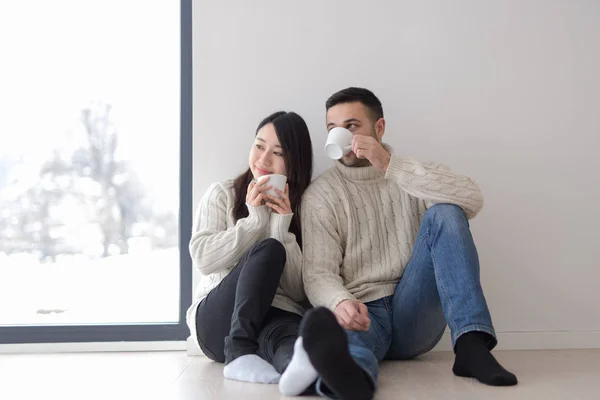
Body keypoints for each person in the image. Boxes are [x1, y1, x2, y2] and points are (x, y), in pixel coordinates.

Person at [283, 87, 517, 399]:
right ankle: (353, 379)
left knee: (446, 212)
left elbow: (472, 198)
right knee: (348, 344)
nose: (342, 135)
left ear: (378, 128)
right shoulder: (321, 195)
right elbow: (317, 273)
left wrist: (390, 165)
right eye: (333, 129)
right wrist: (340, 303)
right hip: (364, 310)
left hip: (414, 308)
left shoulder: (411, 174)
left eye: (351, 126)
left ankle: (472, 345)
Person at [185, 111, 313, 384]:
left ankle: (301, 375)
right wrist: (254, 222)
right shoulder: (223, 194)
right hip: (216, 322)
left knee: (291, 342)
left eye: (277, 152)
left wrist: (282, 225)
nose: (264, 159)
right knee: (269, 250)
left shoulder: (308, 208)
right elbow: (203, 259)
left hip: (273, 317)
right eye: (258, 146)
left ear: (295, 161)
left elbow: (297, 291)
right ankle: (239, 352)